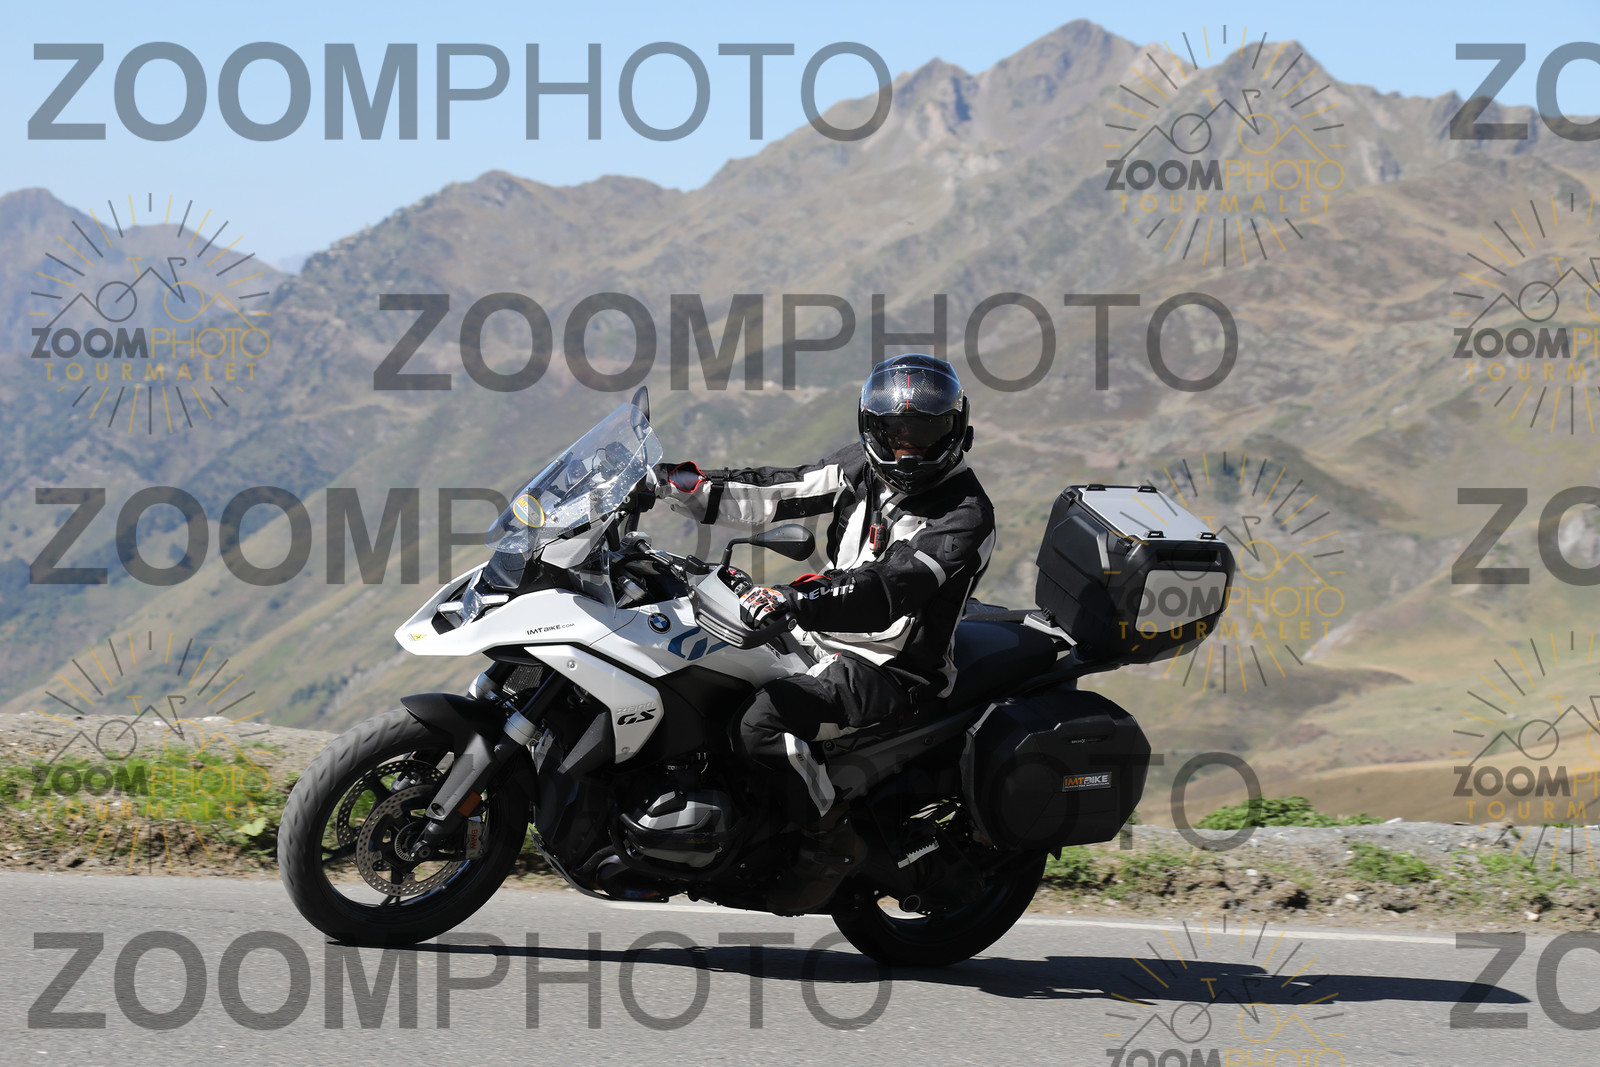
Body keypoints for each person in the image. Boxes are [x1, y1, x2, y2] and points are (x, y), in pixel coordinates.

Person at [655, 353, 995, 910]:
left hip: (888, 669)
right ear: (873, 430)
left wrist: (796, 599)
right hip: (818, 638)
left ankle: (828, 840)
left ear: (956, 430)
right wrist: (673, 485)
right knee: (700, 665)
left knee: (762, 724)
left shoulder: (964, 516)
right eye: (896, 434)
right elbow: (778, 490)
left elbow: (888, 590)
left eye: (925, 433)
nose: (908, 449)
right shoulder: (861, 467)